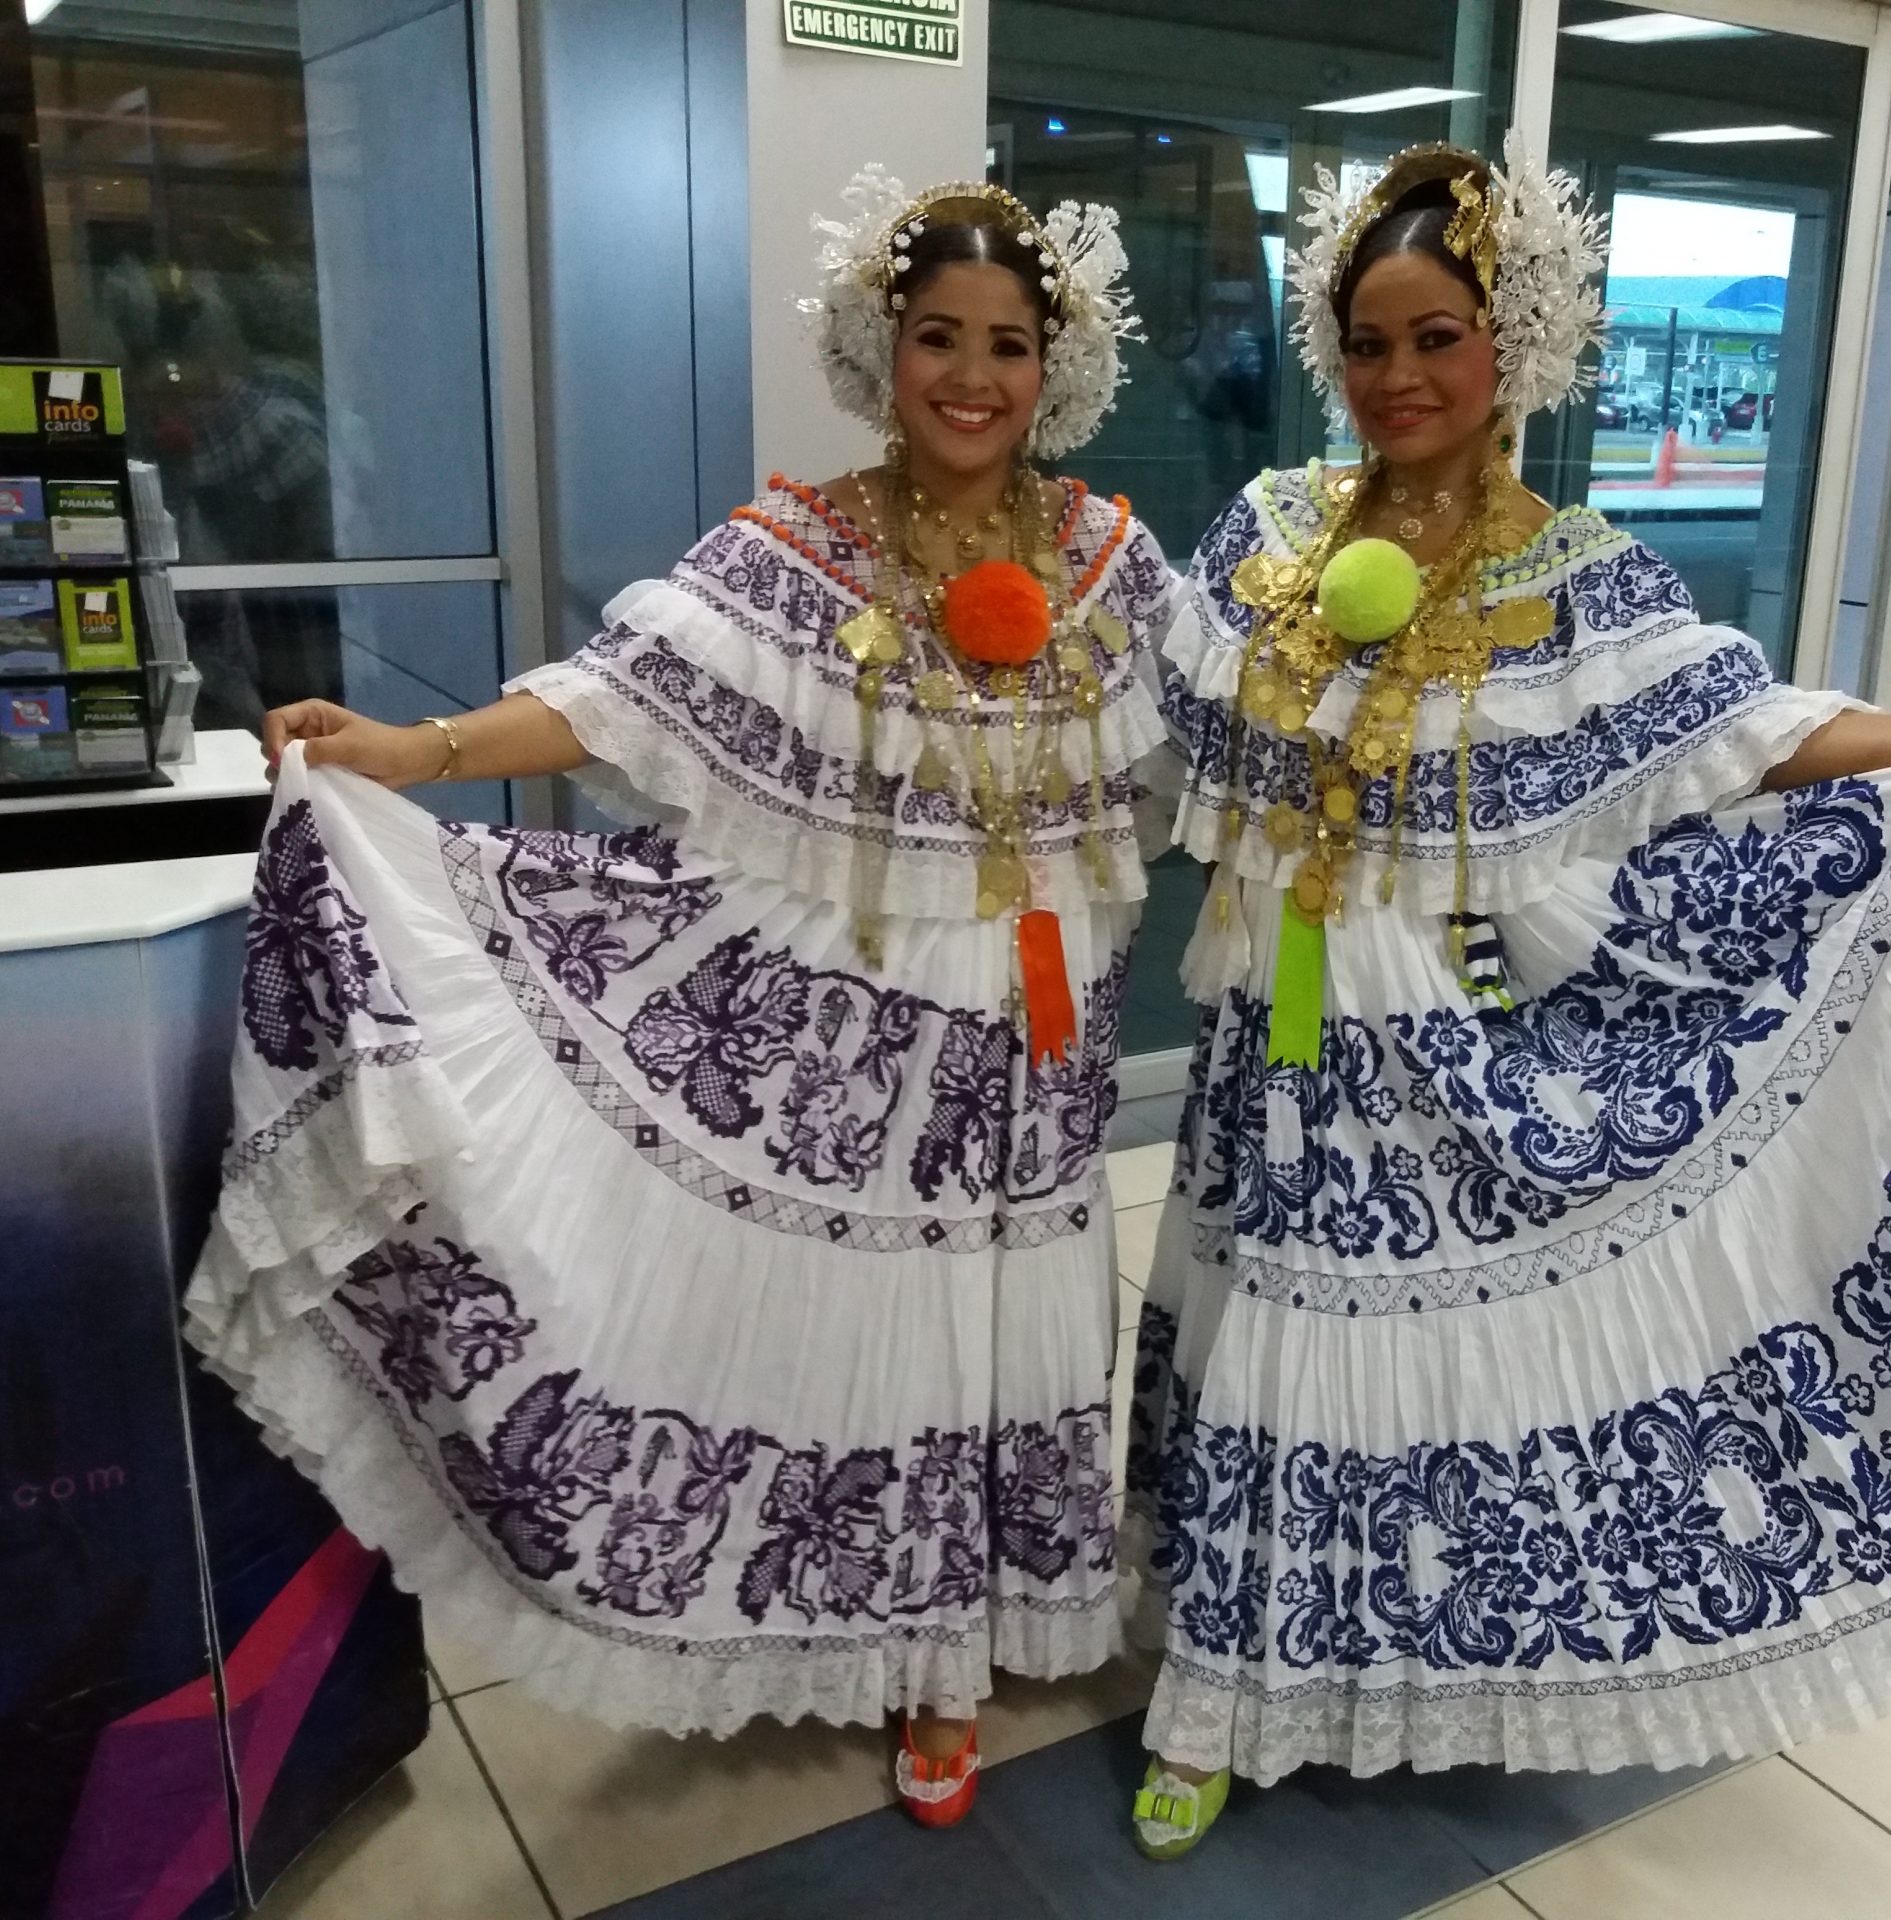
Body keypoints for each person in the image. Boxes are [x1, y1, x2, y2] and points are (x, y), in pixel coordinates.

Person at [1124, 139, 1891, 1856]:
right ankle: (1216, 1691)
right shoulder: (1266, 533)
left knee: (1415, 1363)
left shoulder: (1577, 574)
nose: (1400, 377)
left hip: (1434, 1030)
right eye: (1370, 340)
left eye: (1440, 337)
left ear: (1516, 350)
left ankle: (1404, 1663)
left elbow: (1747, 735)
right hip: (1264, 1034)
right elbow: (1151, 727)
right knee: (1262, 1337)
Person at [182, 169, 1178, 1830]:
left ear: (1050, 367)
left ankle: (967, 1649)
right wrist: (415, 754)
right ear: (887, 343)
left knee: (1023, 1326)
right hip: (852, 1042)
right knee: (885, 1338)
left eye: (1007, 344)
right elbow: (617, 698)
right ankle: (889, 1643)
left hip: (1049, 1038)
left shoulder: (1114, 563)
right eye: (939, 335)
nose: (972, 376)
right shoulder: (797, 550)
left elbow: (1215, 735)